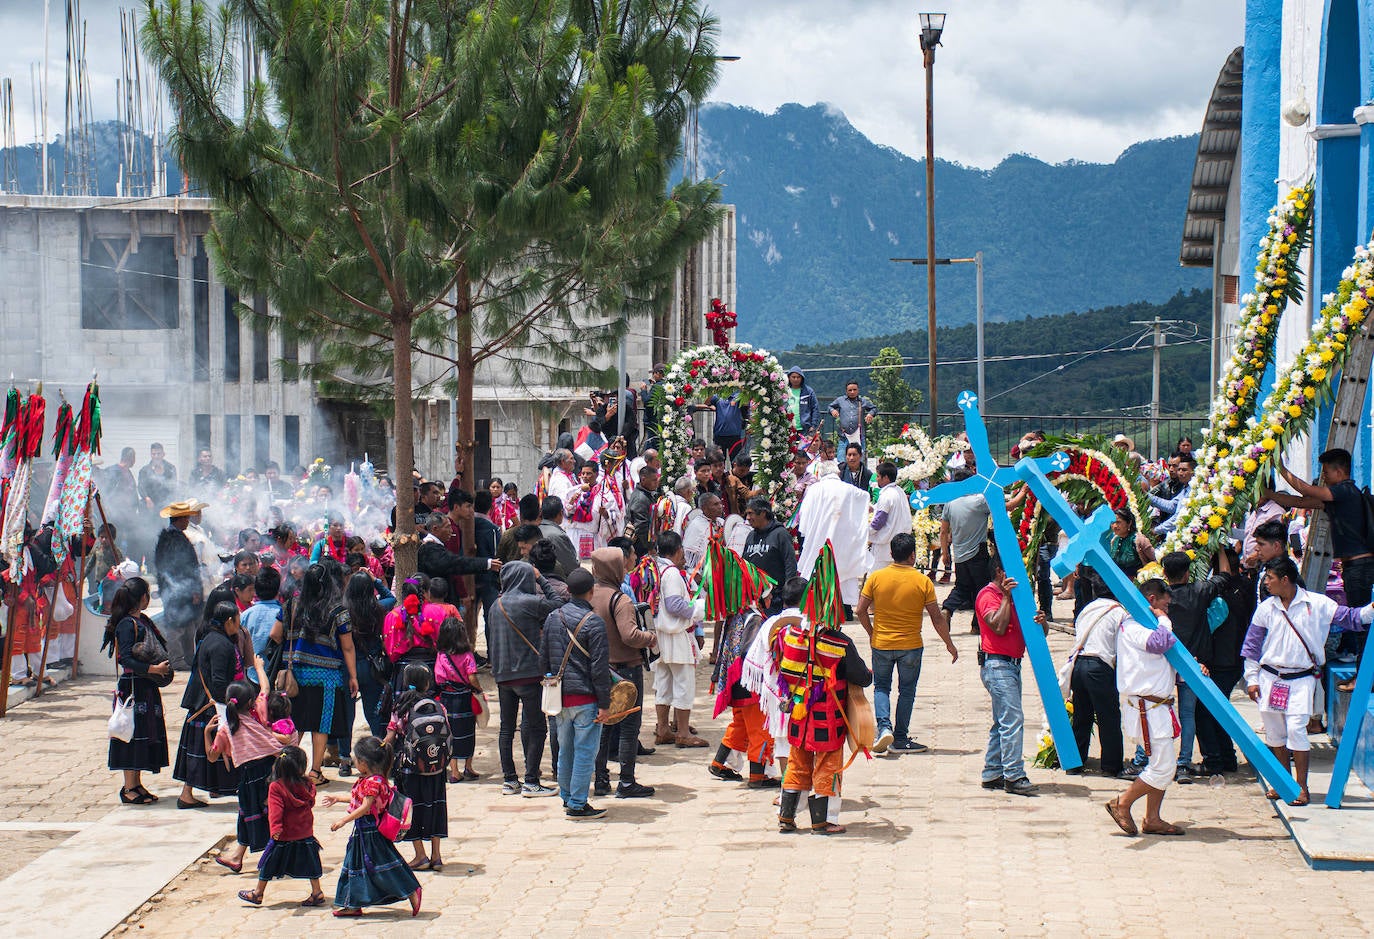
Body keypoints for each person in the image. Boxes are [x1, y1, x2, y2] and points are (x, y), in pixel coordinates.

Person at [1242, 557, 1372, 806]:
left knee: (1296, 731)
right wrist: (1251, 678)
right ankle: (1282, 782)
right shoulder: (1266, 608)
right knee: (1275, 734)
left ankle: (1301, 787)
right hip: (1270, 677)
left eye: (1269, 578)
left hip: (1301, 679)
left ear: (1285, 579)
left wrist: (1371, 609)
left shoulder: (1318, 603)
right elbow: (1252, 645)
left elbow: (1353, 618)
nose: (1266, 583)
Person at [1266, 447, 1374, 683]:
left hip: (1360, 568)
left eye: (1326, 472)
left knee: (1362, 622)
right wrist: (1269, 495)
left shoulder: (1345, 491)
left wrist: (1280, 466)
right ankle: (1365, 675)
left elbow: (1304, 488)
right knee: (1359, 622)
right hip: (1354, 568)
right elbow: (1298, 500)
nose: (1323, 476)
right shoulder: (1338, 499)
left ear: (1339, 471)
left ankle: (1365, 678)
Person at [775, 595, 873, 835]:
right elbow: (862, 677)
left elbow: (784, 671)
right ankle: (823, 821)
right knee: (828, 766)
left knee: (797, 764)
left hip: (799, 714)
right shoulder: (840, 642)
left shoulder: (793, 637)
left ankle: (786, 818)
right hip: (828, 718)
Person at [857, 532, 955, 754]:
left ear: (891, 554)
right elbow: (937, 618)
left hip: (881, 643)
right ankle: (900, 738)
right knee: (907, 691)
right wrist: (949, 644)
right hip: (911, 645)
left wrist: (872, 633)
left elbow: (860, 610)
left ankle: (883, 728)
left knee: (881, 687)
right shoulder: (922, 581)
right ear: (913, 556)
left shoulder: (875, 578)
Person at [1106, 579, 1185, 836]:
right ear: (1152, 600)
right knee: (1164, 767)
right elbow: (1158, 644)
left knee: (1160, 763)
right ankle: (1123, 802)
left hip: (1158, 707)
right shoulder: (1133, 626)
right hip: (1145, 708)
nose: (1167, 608)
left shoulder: (1147, 626)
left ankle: (1152, 818)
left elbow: (1164, 659)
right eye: (1165, 603)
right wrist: (1163, 619)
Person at [208, 658, 301, 873]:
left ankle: (278, 857)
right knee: (254, 814)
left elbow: (213, 757)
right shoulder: (259, 713)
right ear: (251, 701)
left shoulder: (225, 729)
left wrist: (206, 734)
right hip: (271, 769)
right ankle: (237, 857)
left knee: (259, 815)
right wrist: (258, 667)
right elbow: (266, 687)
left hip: (250, 776)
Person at [540, 569, 614, 820]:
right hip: (586, 698)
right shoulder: (593, 622)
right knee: (585, 751)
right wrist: (605, 704)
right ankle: (578, 803)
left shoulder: (552, 618)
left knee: (565, 749)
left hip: (560, 697)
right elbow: (599, 668)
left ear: (568, 591)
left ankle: (568, 796)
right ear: (591, 592)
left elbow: (544, 658)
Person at [487, 561, 564, 796]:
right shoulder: (529, 602)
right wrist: (541, 579)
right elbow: (559, 604)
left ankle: (510, 780)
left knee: (506, 728)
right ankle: (531, 780)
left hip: (502, 675)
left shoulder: (495, 605)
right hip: (529, 674)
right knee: (537, 727)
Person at [325, 736, 423, 917]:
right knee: (355, 864)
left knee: (385, 864)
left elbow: (365, 807)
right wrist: (338, 798)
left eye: (355, 760)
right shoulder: (372, 779)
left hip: (371, 831)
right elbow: (360, 800)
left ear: (363, 762)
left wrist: (342, 821)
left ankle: (411, 890)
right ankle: (353, 904)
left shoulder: (374, 782)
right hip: (363, 831)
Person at [283, 561, 359, 782]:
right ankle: (315, 771)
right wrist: (352, 676)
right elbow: (347, 646)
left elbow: (276, 633)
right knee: (321, 724)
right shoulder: (338, 611)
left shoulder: (291, 606)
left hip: (295, 675)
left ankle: (289, 769)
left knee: (295, 722)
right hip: (327, 676)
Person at [590, 547, 657, 797]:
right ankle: (627, 781)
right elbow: (630, 635)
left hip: (600, 670)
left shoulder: (589, 596)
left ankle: (600, 780)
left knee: (604, 726)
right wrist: (649, 637)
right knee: (629, 726)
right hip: (626, 671)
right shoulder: (621, 600)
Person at [974, 555, 1042, 795]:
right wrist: (1006, 597)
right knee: (1012, 719)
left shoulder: (1019, 595)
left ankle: (993, 771)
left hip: (1013, 663)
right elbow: (998, 626)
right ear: (1000, 572)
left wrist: (1041, 621)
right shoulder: (988, 595)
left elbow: (1038, 631)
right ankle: (1014, 774)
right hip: (997, 664)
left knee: (1002, 721)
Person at [103, 578, 171, 805]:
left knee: (144, 734)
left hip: (146, 686)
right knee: (131, 735)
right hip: (133, 686)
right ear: (141, 597)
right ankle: (128, 787)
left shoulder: (143, 621)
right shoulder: (126, 625)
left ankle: (137, 784)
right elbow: (126, 658)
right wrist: (153, 669)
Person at [173, 601, 243, 808]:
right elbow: (219, 681)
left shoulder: (210, 638)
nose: (238, 624)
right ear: (229, 621)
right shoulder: (221, 645)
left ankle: (188, 792)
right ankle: (187, 794)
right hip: (212, 705)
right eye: (237, 620)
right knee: (206, 751)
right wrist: (232, 704)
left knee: (200, 753)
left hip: (204, 703)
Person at [237, 746, 326, 908]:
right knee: (311, 862)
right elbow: (311, 802)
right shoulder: (308, 784)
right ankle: (317, 892)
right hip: (305, 831)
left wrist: (275, 829)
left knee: (268, 863)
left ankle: (258, 893)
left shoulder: (276, 787)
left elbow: (275, 811)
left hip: (283, 834)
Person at [1159, 550, 1220, 780]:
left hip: (1164, 663)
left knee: (1157, 709)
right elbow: (1223, 578)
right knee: (1187, 714)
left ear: (1164, 573)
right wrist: (1219, 550)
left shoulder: (1159, 596)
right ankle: (1183, 763)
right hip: (1193, 662)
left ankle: (1152, 758)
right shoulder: (1199, 591)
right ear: (1187, 573)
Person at [1196, 547, 1255, 775]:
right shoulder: (1246, 587)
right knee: (1218, 709)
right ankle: (1226, 758)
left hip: (1221, 660)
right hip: (1234, 658)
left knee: (1206, 711)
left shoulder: (1222, 592)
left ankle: (1215, 760)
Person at [385, 663, 449, 871]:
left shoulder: (401, 708)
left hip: (410, 769)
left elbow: (390, 737)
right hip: (436, 769)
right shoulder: (439, 707)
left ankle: (420, 855)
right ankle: (436, 856)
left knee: (413, 809)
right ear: (427, 683)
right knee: (436, 806)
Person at [1067, 569, 1128, 779]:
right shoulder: (1119, 612)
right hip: (1099, 667)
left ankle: (1075, 762)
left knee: (1081, 716)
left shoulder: (1087, 609)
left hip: (1078, 664)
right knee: (1108, 717)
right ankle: (1111, 765)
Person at [651, 531, 706, 751]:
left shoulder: (658, 569)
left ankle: (664, 729)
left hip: (660, 636)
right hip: (675, 635)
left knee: (663, 683)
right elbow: (674, 605)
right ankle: (682, 733)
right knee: (684, 684)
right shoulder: (672, 573)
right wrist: (697, 610)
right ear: (678, 550)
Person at [154, 500, 205, 670]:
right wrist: (193, 589)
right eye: (185, 518)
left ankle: (189, 657)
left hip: (180, 589)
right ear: (179, 519)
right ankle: (176, 660)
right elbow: (181, 567)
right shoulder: (172, 539)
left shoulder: (174, 537)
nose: (187, 521)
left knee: (188, 624)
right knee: (176, 626)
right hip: (177, 590)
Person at [939, 471, 992, 633]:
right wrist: (1023, 493)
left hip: (959, 553)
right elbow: (1005, 506)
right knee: (982, 589)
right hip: (978, 552)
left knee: (962, 587)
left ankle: (947, 608)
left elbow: (943, 532)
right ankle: (977, 626)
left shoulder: (950, 503)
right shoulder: (979, 502)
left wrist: (945, 553)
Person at [435, 616, 479, 783]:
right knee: (468, 732)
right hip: (465, 698)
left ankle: (454, 771)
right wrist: (479, 689)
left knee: (450, 734)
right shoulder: (467, 655)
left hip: (447, 698)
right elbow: (472, 677)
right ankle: (468, 766)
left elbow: (438, 677)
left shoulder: (441, 655)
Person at [742, 497, 798, 616]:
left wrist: (788, 596)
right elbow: (744, 566)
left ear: (763, 513)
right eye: (747, 514)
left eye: (750, 513)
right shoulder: (751, 536)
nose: (747, 518)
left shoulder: (780, 534)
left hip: (775, 599)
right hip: (754, 600)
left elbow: (790, 564)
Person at [868, 461, 912, 568]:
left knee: (879, 580)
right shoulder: (900, 491)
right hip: (900, 545)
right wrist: (872, 508)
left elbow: (879, 521)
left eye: (878, 476)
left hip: (884, 547)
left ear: (886, 478)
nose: (876, 479)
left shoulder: (886, 495)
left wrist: (866, 532)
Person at [623, 465, 661, 559]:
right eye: (654, 480)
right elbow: (641, 526)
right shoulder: (641, 498)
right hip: (640, 546)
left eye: (657, 480)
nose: (657, 483)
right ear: (643, 479)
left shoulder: (646, 494)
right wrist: (650, 547)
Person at [1107, 508, 1155, 580]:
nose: (1115, 526)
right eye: (1113, 522)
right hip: (1121, 582)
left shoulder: (1139, 540)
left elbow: (1154, 560)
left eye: (1118, 522)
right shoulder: (1114, 540)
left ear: (1129, 523)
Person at [538, 496, 581, 577]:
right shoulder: (557, 535)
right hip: (555, 580)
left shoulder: (537, 529)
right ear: (561, 513)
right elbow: (571, 567)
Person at [829, 381, 877, 451]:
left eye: (854, 390)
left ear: (858, 390)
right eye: (850, 390)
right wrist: (832, 411)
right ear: (846, 391)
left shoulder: (863, 401)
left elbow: (874, 408)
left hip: (859, 436)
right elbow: (830, 407)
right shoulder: (840, 400)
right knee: (841, 459)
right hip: (844, 436)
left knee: (859, 459)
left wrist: (870, 414)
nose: (852, 392)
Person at [139, 443, 179, 513]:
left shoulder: (171, 468)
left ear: (163, 454)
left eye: (158, 454)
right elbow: (141, 487)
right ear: (151, 455)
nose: (156, 456)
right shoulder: (144, 470)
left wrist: (170, 501)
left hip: (166, 505)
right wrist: (146, 498)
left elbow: (173, 487)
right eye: (153, 454)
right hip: (150, 506)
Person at [708, 392, 747, 458]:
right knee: (718, 461)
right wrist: (713, 389)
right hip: (719, 436)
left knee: (736, 462)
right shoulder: (717, 396)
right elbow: (706, 403)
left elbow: (746, 403)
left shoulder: (738, 396)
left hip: (735, 436)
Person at [785, 368, 821, 439]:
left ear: (802, 378)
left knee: (804, 449)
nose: (796, 379)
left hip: (805, 429)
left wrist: (813, 426)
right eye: (793, 377)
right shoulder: (784, 390)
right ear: (789, 378)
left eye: (798, 377)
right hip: (788, 428)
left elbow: (815, 408)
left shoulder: (808, 391)